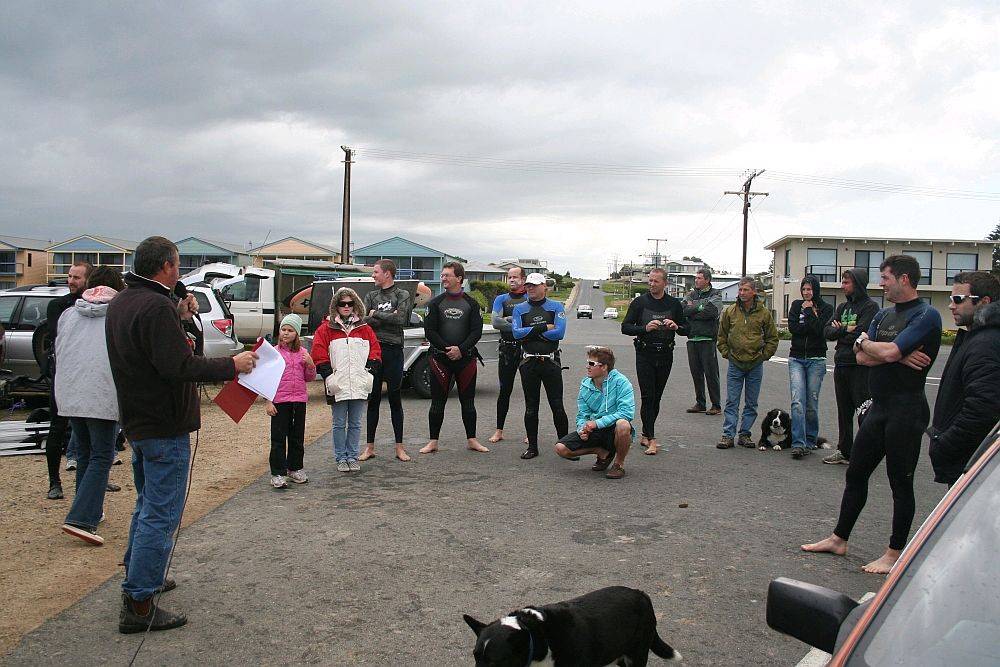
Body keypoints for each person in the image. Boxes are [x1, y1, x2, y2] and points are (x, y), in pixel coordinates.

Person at [107, 236, 257, 633]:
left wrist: (181, 312)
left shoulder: (124, 300)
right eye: (177, 266)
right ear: (168, 267)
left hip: (139, 419)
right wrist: (233, 364)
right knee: (161, 512)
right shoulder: (155, 306)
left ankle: (142, 574)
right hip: (163, 423)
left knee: (146, 505)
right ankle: (139, 600)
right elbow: (179, 365)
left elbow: (155, 352)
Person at [802, 255, 942, 574]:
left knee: (900, 482)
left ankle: (894, 553)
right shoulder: (883, 315)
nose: (882, 282)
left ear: (904, 279)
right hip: (878, 408)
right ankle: (839, 538)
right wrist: (886, 351)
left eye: (886, 277)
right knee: (856, 473)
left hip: (907, 410)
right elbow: (859, 356)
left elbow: (885, 351)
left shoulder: (926, 315)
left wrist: (882, 350)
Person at [56, 266, 125, 545]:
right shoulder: (118, 316)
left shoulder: (69, 314)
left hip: (71, 393)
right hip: (102, 394)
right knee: (101, 455)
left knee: (84, 453)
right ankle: (81, 518)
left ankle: (89, 510)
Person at [925, 271, 1000, 486]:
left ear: (984, 302)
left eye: (958, 299)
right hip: (969, 459)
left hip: (972, 462)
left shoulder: (985, 343)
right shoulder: (975, 336)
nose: (951, 306)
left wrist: (945, 444)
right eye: (951, 299)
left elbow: (983, 408)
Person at [420, 262, 488, 454]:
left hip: (465, 359)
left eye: (447, 275)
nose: (443, 278)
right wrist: (447, 349)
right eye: (442, 275)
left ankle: (472, 440)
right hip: (440, 359)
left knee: (468, 402)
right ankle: (433, 441)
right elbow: (430, 331)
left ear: (459, 278)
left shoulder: (472, 304)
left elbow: (476, 332)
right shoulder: (435, 303)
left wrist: (461, 349)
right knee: (437, 402)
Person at [312, 288, 382, 472]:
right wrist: (329, 376)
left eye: (350, 303)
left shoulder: (365, 329)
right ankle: (340, 458)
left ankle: (352, 456)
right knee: (338, 423)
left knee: (356, 423)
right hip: (338, 383)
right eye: (342, 303)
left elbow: (375, 352)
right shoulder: (325, 329)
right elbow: (318, 353)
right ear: (335, 305)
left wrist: (369, 373)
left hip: (359, 382)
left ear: (355, 305)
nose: (346, 307)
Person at [621, 267, 686, 455]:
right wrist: (644, 328)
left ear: (665, 283)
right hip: (645, 354)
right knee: (647, 396)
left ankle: (645, 433)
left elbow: (686, 329)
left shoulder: (674, 304)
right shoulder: (640, 302)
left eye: (656, 281)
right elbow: (625, 327)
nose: (651, 284)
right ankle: (651, 437)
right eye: (650, 280)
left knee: (656, 397)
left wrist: (676, 326)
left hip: (665, 354)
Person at [44, 260, 92, 500]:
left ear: (88, 281)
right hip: (63, 376)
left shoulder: (96, 304)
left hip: (87, 376)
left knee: (89, 433)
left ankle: (91, 481)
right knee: (57, 427)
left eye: (77, 278)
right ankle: (54, 482)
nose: (71, 281)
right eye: (70, 276)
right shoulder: (58, 306)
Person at [822, 269, 878, 465]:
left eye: (846, 282)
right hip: (841, 364)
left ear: (858, 283)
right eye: (842, 282)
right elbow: (827, 331)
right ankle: (844, 450)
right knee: (843, 411)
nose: (843, 286)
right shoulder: (843, 307)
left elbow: (862, 334)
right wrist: (845, 329)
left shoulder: (870, 307)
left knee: (864, 411)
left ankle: (866, 453)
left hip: (860, 366)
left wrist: (841, 332)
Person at [554, 346, 635, 480]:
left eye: (591, 364)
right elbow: (582, 414)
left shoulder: (622, 382)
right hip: (595, 430)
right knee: (560, 448)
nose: (587, 367)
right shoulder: (585, 385)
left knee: (623, 425)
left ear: (604, 367)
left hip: (612, 428)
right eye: (587, 363)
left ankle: (618, 464)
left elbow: (626, 413)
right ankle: (602, 452)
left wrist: (596, 423)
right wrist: (582, 429)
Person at [716, 278, 779, 449]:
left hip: (755, 364)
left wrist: (764, 356)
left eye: (745, 290)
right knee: (732, 401)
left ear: (754, 292)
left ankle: (745, 434)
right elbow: (721, 336)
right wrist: (726, 353)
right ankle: (728, 435)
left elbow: (772, 338)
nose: (742, 293)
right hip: (735, 363)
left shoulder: (764, 313)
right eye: (740, 290)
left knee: (751, 402)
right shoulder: (730, 312)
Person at [512, 272, 569, 459]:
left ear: (544, 286)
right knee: (531, 407)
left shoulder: (556, 307)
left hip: (550, 361)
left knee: (557, 406)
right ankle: (533, 447)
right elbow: (516, 334)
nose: (531, 289)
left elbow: (559, 333)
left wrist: (530, 333)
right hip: (529, 362)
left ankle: (566, 446)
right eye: (528, 285)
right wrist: (544, 328)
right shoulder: (520, 309)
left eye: (535, 285)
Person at [360, 259, 413, 462]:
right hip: (374, 352)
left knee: (394, 398)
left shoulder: (402, 294)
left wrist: (377, 314)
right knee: (373, 399)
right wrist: (384, 315)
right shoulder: (371, 295)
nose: (373, 275)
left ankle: (399, 447)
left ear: (387, 274)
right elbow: (364, 319)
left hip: (394, 351)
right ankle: (369, 447)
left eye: (375, 272)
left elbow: (402, 319)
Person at [264, 314, 316, 488]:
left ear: (297, 334)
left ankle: (295, 468)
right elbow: (266, 378)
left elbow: (309, 378)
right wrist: (268, 401)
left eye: (290, 330)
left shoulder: (303, 353)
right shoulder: (274, 352)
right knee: (278, 438)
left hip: (299, 400)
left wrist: (310, 364)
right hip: (280, 400)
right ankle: (278, 472)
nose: (285, 333)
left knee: (297, 437)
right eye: (283, 330)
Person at [786, 275, 834, 460]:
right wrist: (810, 322)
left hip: (817, 359)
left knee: (811, 404)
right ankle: (798, 443)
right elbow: (793, 329)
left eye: (810, 289)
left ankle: (810, 439)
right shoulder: (796, 305)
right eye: (804, 289)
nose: (806, 293)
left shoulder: (826, 308)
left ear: (816, 290)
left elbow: (821, 330)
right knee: (797, 401)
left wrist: (808, 314)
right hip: (796, 358)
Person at [489, 266, 528, 444]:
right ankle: (499, 431)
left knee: (530, 392)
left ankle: (530, 432)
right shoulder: (501, 299)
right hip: (507, 349)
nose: (511, 280)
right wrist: (517, 322)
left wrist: (508, 320)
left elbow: (534, 323)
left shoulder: (530, 298)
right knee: (504, 391)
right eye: (509, 277)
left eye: (515, 277)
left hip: (526, 350)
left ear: (523, 279)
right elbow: (495, 322)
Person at [683, 268, 723, 416]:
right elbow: (682, 310)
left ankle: (716, 404)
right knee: (696, 373)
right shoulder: (691, 294)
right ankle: (700, 403)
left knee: (711, 373)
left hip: (707, 340)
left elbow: (711, 312)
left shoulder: (716, 294)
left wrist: (693, 310)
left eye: (699, 278)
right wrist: (699, 307)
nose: (696, 280)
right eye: (696, 278)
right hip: (692, 338)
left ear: (707, 280)